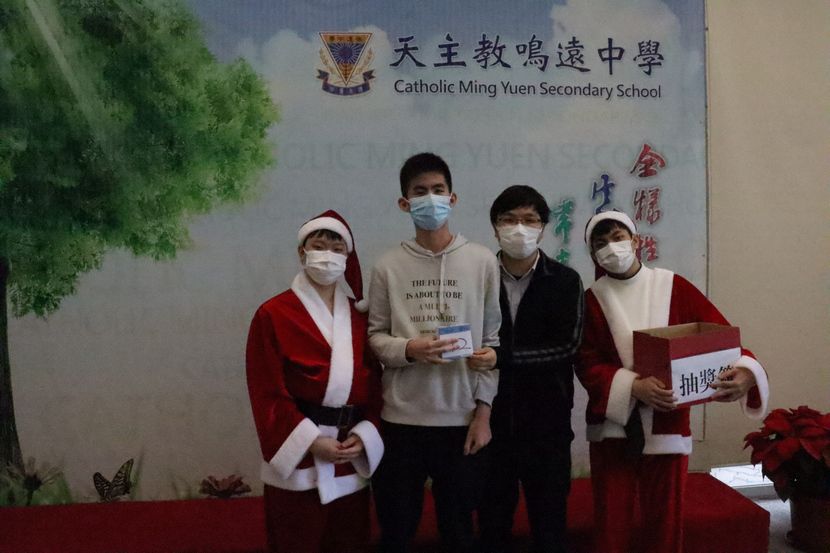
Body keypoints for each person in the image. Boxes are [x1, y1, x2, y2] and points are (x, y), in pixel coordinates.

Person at [576, 210, 770, 553]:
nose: (611, 248)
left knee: (665, 525)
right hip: (613, 432)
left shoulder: (672, 286)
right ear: (593, 254)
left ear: (636, 241)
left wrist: (746, 371)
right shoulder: (591, 299)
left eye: (618, 238)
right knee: (611, 523)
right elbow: (585, 360)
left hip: (668, 425)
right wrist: (632, 386)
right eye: (601, 243)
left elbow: (718, 336)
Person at [368, 152, 500, 553]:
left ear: (453, 198)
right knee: (396, 532)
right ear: (404, 203)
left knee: (459, 532)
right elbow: (375, 338)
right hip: (401, 420)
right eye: (420, 191)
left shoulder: (482, 261)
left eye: (438, 190)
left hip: (462, 421)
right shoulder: (387, 266)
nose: (431, 199)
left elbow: (492, 342)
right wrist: (409, 349)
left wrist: (483, 414)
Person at [245, 210, 384, 553]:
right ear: (302, 252)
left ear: (347, 258)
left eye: (337, 249)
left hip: (348, 454)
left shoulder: (359, 317)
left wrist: (365, 434)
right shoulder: (272, 314)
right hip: (299, 460)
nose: (327, 256)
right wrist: (310, 441)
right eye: (319, 246)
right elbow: (266, 392)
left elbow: (378, 386)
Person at [478, 185, 584, 553]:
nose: (519, 229)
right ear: (495, 228)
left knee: (549, 523)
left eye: (529, 220)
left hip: (547, 424)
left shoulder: (565, 280)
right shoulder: (478, 278)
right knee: (492, 523)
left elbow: (567, 347)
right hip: (490, 421)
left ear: (542, 228)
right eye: (509, 220)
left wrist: (502, 358)